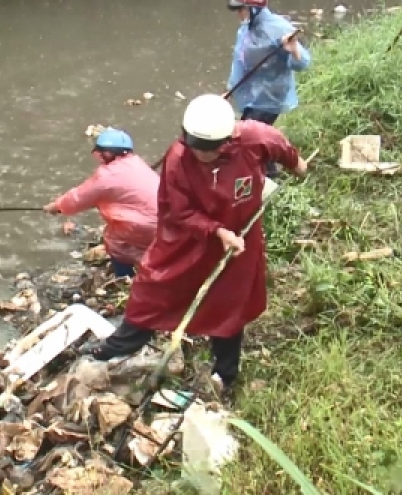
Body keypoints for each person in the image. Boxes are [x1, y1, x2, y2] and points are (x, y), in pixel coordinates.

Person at [83, 95, 307, 404]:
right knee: (154, 287)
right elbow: (180, 210)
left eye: (208, 149)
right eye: (194, 146)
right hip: (188, 239)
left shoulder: (255, 138)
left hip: (238, 243)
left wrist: (297, 166)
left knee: (229, 302)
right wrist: (216, 230)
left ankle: (225, 373)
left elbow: (283, 150)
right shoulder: (179, 157)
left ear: (226, 141)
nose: (199, 155)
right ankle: (117, 347)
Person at [43, 128, 159, 279]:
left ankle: (124, 277)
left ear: (108, 153)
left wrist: (56, 207)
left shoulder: (107, 176)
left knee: (115, 243)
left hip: (144, 227)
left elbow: (77, 198)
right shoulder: (137, 163)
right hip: (165, 222)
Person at [225, 0, 311, 178]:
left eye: (241, 8)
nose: (239, 13)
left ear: (253, 8)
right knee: (254, 134)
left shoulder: (279, 28)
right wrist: (229, 90)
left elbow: (303, 63)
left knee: (249, 136)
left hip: (271, 95)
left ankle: (270, 174)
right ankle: (269, 170)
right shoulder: (245, 29)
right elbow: (239, 62)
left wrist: (294, 50)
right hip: (251, 93)